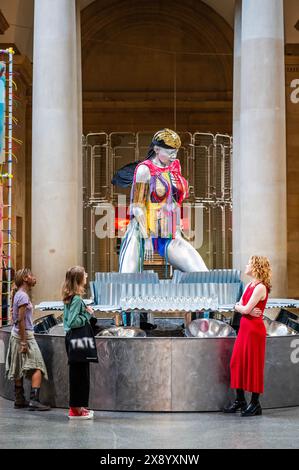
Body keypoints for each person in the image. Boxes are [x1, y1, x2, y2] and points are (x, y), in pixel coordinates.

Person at [113, 128, 208, 273]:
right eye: (170, 152)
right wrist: (148, 239)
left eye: (175, 152)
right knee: (127, 278)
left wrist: (178, 228)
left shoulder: (174, 167)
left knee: (200, 272)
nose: (174, 155)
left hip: (168, 232)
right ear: (157, 149)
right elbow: (137, 207)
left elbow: (174, 202)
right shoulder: (144, 170)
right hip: (142, 231)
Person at [223, 256, 271, 417]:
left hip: (254, 330)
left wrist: (242, 308)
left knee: (254, 366)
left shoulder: (260, 287)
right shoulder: (250, 285)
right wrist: (243, 308)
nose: (246, 265)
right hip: (245, 329)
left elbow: (242, 308)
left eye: (249, 263)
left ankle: (255, 404)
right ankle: (240, 400)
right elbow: (241, 305)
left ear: (256, 267)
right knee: (237, 363)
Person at [5, 268, 50, 411]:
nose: (34, 277)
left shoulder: (18, 294)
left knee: (18, 366)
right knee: (38, 366)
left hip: (16, 335)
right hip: (24, 336)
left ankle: (19, 399)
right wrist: (24, 342)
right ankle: (34, 400)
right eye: (31, 275)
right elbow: (22, 320)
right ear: (25, 278)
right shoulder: (23, 296)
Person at [62, 266, 96, 420]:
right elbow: (73, 321)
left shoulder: (70, 297)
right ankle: (76, 410)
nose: (87, 275)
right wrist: (87, 315)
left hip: (72, 338)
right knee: (80, 374)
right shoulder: (76, 299)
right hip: (77, 338)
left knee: (78, 373)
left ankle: (78, 407)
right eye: (84, 274)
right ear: (79, 279)